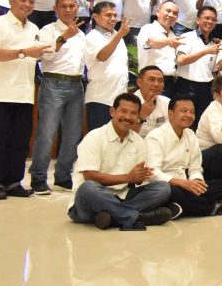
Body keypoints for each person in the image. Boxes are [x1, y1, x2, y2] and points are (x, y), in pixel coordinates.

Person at [68, 93, 173, 230]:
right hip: (90, 201)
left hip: (122, 196)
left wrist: (141, 176)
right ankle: (136, 217)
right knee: (88, 188)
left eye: (133, 113)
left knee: (163, 188)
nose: (128, 117)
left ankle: (113, 216)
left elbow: (137, 180)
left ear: (138, 116)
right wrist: (128, 177)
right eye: (124, 111)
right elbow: (90, 176)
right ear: (112, 111)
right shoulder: (94, 137)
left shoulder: (138, 141)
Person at [145, 96, 222, 218]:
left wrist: (197, 182)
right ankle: (215, 208)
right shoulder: (155, 137)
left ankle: (179, 207)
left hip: (186, 183)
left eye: (192, 112)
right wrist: (182, 183)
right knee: (172, 192)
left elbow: (195, 168)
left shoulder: (190, 134)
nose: (189, 115)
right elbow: (152, 173)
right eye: (184, 111)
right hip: (166, 184)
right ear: (170, 114)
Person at [0, 0, 48, 200]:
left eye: (31, 1)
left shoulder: (33, 28)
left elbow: (37, 55)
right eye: (23, 0)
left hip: (24, 93)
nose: (27, 4)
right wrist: (23, 52)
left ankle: (14, 182)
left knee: (21, 141)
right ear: (11, 1)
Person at [29, 0, 86, 194]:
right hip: (53, 82)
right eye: (64, 6)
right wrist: (64, 37)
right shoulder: (48, 30)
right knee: (47, 133)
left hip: (77, 84)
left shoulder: (81, 34)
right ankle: (38, 177)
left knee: (73, 135)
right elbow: (45, 56)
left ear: (77, 8)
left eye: (72, 6)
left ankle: (63, 176)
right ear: (56, 9)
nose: (68, 10)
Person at [84, 2, 132, 133]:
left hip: (119, 99)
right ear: (95, 16)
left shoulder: (117, 35)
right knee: (98, 140)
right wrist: (119, 35)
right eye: (108, 15)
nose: (113, 19)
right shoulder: (92, 36)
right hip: (100, 98)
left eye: (115, 15)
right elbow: (102, 56)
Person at [174, 5, 221, 127]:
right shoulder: (187, 37)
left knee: (202, 123)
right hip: (186, 87)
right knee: (184, 122)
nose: (210, 21)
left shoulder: (214, 43)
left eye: (213, 19)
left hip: (206, 89)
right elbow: (181, 60)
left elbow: (213, 71)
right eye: (207, 18)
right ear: (198, 20)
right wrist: (205, 51)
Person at [137, 0, 181, 97]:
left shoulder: (172, 35)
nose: (171, 15)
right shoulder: (148, 28)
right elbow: (152, 42)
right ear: (157, 12)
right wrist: (168, 41)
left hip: (169, 82)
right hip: (151, 80)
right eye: (168, 11)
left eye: (175, 13)